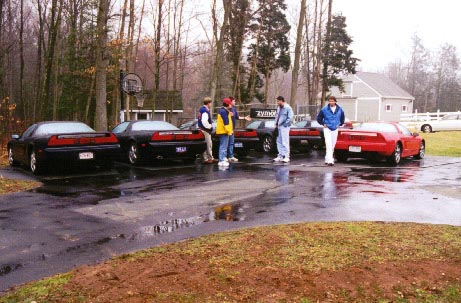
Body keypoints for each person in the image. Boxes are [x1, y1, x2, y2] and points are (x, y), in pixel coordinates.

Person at [316, 96, 345, 166]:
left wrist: (340, 124)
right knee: (328, 144)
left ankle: (327, 158)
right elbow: (319, 118)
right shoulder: (324, 109)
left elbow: (342, 118)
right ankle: (330, 160)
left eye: (332, 101)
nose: (331, 102)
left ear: (335, 101)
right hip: (327, 128)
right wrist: (323, 123)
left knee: (333, 144)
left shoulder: (340, 109)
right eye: (329, 101)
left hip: (335, 128)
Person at [227, 96, 251, 162]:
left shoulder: (234, 109)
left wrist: (244, 117)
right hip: (226, 129)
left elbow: (237, 117)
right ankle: (224, 157)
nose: (235, 102)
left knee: (231, 143)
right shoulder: (226, 109)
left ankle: (231, 156)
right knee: (225, 143)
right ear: (230, 102)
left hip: (232, 129)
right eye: (234, 101)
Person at [273, 96, 294, 163]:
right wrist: (276, 124)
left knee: (285, 141)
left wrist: (285, 124)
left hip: (284, 126)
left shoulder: (288, 108)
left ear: (282, 100)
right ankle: (280, 156)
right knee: (279, 141)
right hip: (279, 126)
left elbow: (290, 117)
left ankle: (287, 156)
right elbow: (277, 116)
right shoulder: (279, 108)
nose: (277, 102)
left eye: (278, 101)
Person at [215, 98, 233, 167]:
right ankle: (221, 160)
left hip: (224, 131)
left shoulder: (225, 111)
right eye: (230, 104)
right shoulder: (223, 112)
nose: (231, 106)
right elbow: (226, 123)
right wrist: (229, 131)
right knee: (223, 146)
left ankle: (223, 157)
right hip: (224, 131)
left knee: (224, 146)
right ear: (228, 104)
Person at [197, 97, 215, 164]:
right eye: (210, 103)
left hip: (202, 129)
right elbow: (204, 121)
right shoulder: (205, 111)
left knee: (205, 145)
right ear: (208, 103)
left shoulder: (202, 109)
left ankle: (206, 158)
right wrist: (210, 127)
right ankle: (209, 158)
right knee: (208, 144)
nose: (211, 104)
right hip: (205, 130)